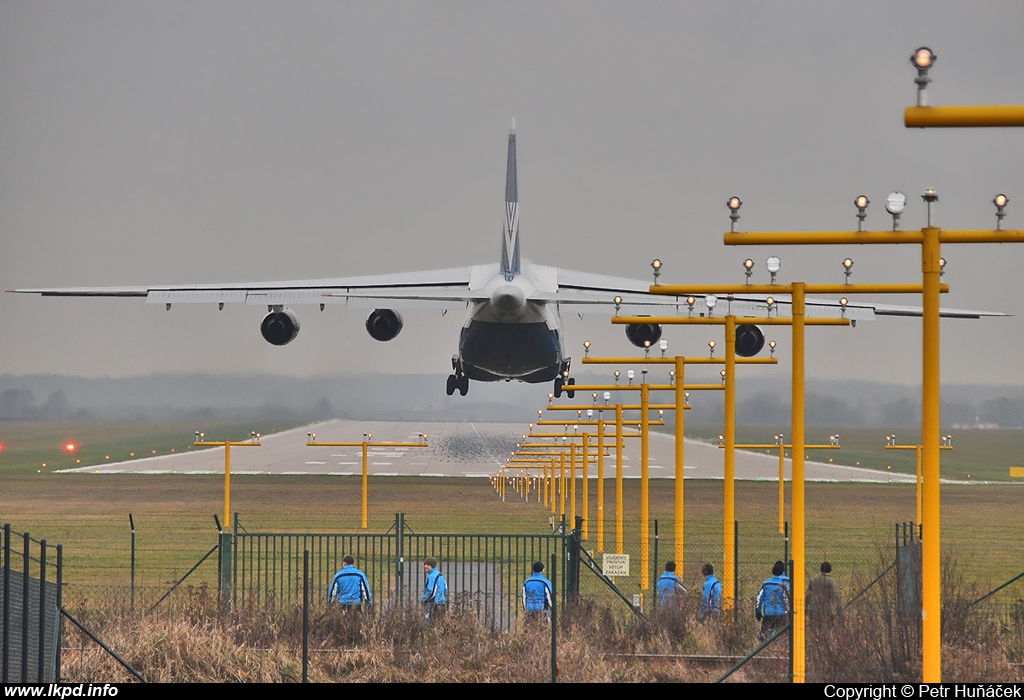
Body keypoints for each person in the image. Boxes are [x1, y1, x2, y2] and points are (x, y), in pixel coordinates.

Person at [756, 560, 790, 640]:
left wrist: (758, 610)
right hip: (781, 613)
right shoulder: (786, 583)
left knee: (764, 636)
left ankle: (763, 650)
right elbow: (787, 598)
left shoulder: (766, 584)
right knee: (782, 636)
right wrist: (788, 611)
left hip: (768, 612)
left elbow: (759, 598)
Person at [422, 557, 447, 623]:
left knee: (429, 622)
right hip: (442, 603)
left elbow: (430, 590)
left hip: (433, 603)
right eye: (425, 564)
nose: (425, 566)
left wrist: (424, 599)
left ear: (432, 566)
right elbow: (445, 588)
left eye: (428, 565)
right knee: (440, 623)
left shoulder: (432, 576)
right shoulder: (440, 575)